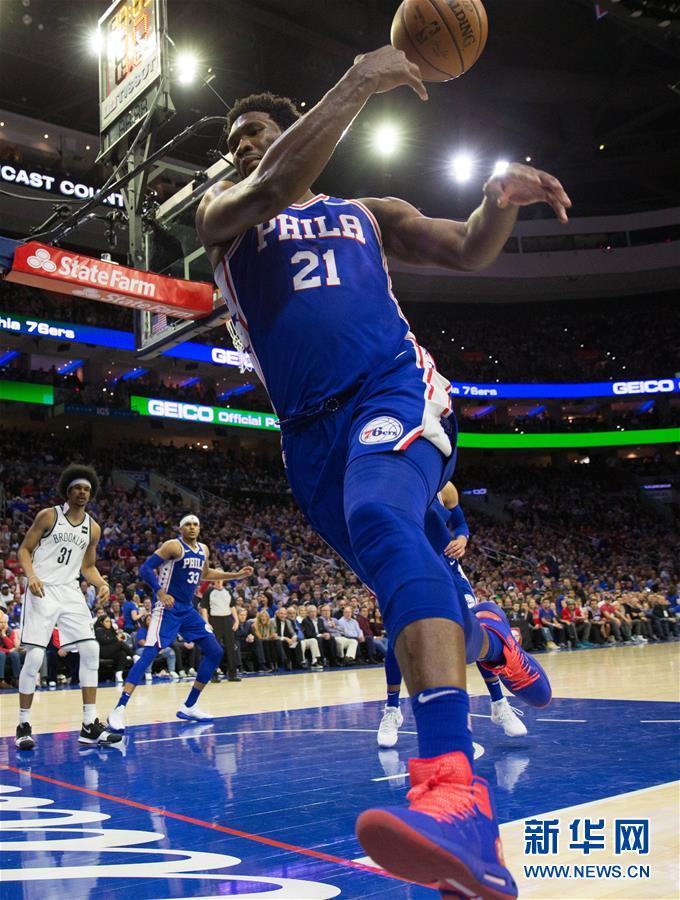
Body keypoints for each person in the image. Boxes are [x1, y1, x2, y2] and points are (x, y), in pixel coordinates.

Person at [196, 46, 567, 895]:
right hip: (307, 437)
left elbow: (468, 248)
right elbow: (270, 186)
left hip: (391, 388)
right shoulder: (224, 214)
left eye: (256, 132)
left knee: (381, 520)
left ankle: (455, 795)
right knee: (410, 590)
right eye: (234, 141)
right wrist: (361, 78)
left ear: (296, 130)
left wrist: (496, 202)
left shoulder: (366, 213)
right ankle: (490, 637)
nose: (243, 146)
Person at [378, 483, 527, 748]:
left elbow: (460, 524)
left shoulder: (445, 488)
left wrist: (461, 539)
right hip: (408, 568)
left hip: (448, 569)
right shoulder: (390, 484)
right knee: (398, 636)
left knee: (477, 628)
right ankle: (392, 709)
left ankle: (498, 703)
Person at [106, 515, 252, 732]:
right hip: (166, 608)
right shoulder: (173, 546)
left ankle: (189, 706)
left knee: (215, 651)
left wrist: (236, 575)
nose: (192, 528)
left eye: (196, 525)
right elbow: (146, 568)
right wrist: (159, 592)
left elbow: (206, 574)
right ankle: (118, 710)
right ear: (180, 529)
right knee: (148, 654)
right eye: (188, 525)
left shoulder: (203, 549)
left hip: (187, 609)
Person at [14, 464, 121, 749]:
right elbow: (24, 549)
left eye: (86, 489)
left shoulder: (93, 528)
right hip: (42, 589)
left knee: (91, 649)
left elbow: (88, 567)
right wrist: (31, 576)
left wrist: (102, 584)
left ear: (91, 493)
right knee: (35, 657)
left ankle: (89, 724)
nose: (82, 493)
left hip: (70, 591)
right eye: (77, 488)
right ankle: (23, 724)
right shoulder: (49, 515)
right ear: (68, 491)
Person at [200, 578, 241, 682]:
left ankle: (232, 674)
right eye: (216, 579)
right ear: (213, 580)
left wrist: (236, 620)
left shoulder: (228, 591)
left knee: (231, 647)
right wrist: (206, 622)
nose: (218, 581)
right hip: (214, 620)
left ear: (223, 580)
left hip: (227, 620)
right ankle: (214, 674)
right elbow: (204, 608)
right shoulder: (209, 591)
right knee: (214, 648)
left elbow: (232, 606)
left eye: (220, 579)